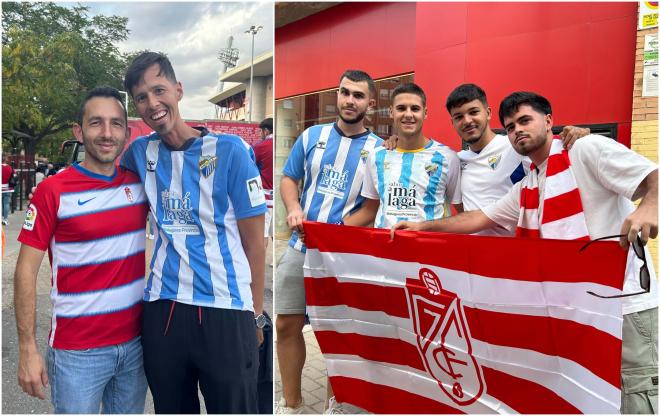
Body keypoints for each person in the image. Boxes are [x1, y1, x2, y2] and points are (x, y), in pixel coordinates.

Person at [393, 91, 658, 414]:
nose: (517, 130)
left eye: (525, 120)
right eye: (511, 126)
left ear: (549, 121)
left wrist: (650, 206)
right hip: (575, 311)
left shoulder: (585, 149)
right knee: (592, 395)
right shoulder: (529, 184)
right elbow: (478, 218)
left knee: (634, 396)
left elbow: (653, 178)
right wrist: (423, 227)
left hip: (625, 305)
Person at [120, 51, 266, 414]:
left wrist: (257, 314)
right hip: (163, 308)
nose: (152, 103)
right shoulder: (139, 152)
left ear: (178, 90)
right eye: (142, 98)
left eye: (159, 90)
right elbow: (104, 183)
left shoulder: (230, 150)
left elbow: (255, 242)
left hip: (225, 309)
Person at [14, 86, 149, 413]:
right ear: (79, 131)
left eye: (116, 124)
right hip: (76, 353)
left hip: (135, 347)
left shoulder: (138, 184)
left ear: (126, 132)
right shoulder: (52, 191)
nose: (107, 133)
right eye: (96, 123)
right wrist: (27, 350)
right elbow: (25, 272)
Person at [276, 69, 383, 414]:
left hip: (342, 258)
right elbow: (290, 179)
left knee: (338, 334)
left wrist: (334, 232)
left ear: (371, 102)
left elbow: (372, 206)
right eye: (344, 92)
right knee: (286, 324)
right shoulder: (311, 136)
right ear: (337, 95)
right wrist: (294, 210)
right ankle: (291, 403)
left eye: (358, 95)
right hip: (299, 249)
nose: (350, 100)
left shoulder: (379, 149)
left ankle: (336, 404)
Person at [344, 82, 462, 228]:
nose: (408, 114)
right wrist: (332, 231)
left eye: (415, 109)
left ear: (425, 113)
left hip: (428, 250)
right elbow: (370, 209)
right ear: (391, 112)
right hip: (384, 249)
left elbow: (461, 212)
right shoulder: (376, 156)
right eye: (401, 108)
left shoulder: (448, 157)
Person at [254, 118, 274, 253]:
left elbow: (249, 168)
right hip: (279, 195)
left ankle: (261, 267)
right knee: (274, 232)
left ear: (266, 131)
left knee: (264, 233)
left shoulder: (261, 147)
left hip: (265, 196)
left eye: (261, 131)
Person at [2, 157, 16, 225]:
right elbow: (14, 176)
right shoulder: (10, 168)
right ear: (6, 160)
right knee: (6, 203)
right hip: (7, 188)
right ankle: (5, 219)